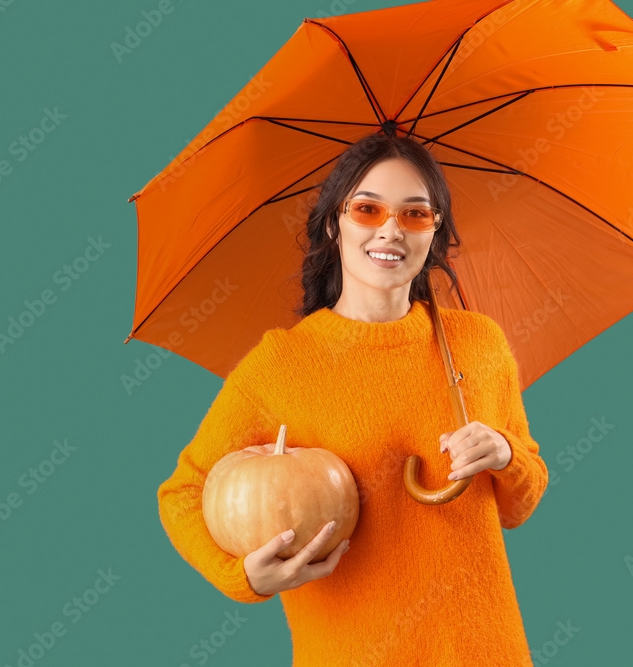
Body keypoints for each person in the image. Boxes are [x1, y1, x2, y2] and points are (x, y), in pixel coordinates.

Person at [157, 129, 548, 666]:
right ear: (332, 224)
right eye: (367, 209)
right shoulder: (281, 364)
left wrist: (505, 455)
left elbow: (519, 504)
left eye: (415, 214)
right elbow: (183, 492)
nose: (391, 229)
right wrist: (242, 576)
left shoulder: (477, 343)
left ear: (435, 232)